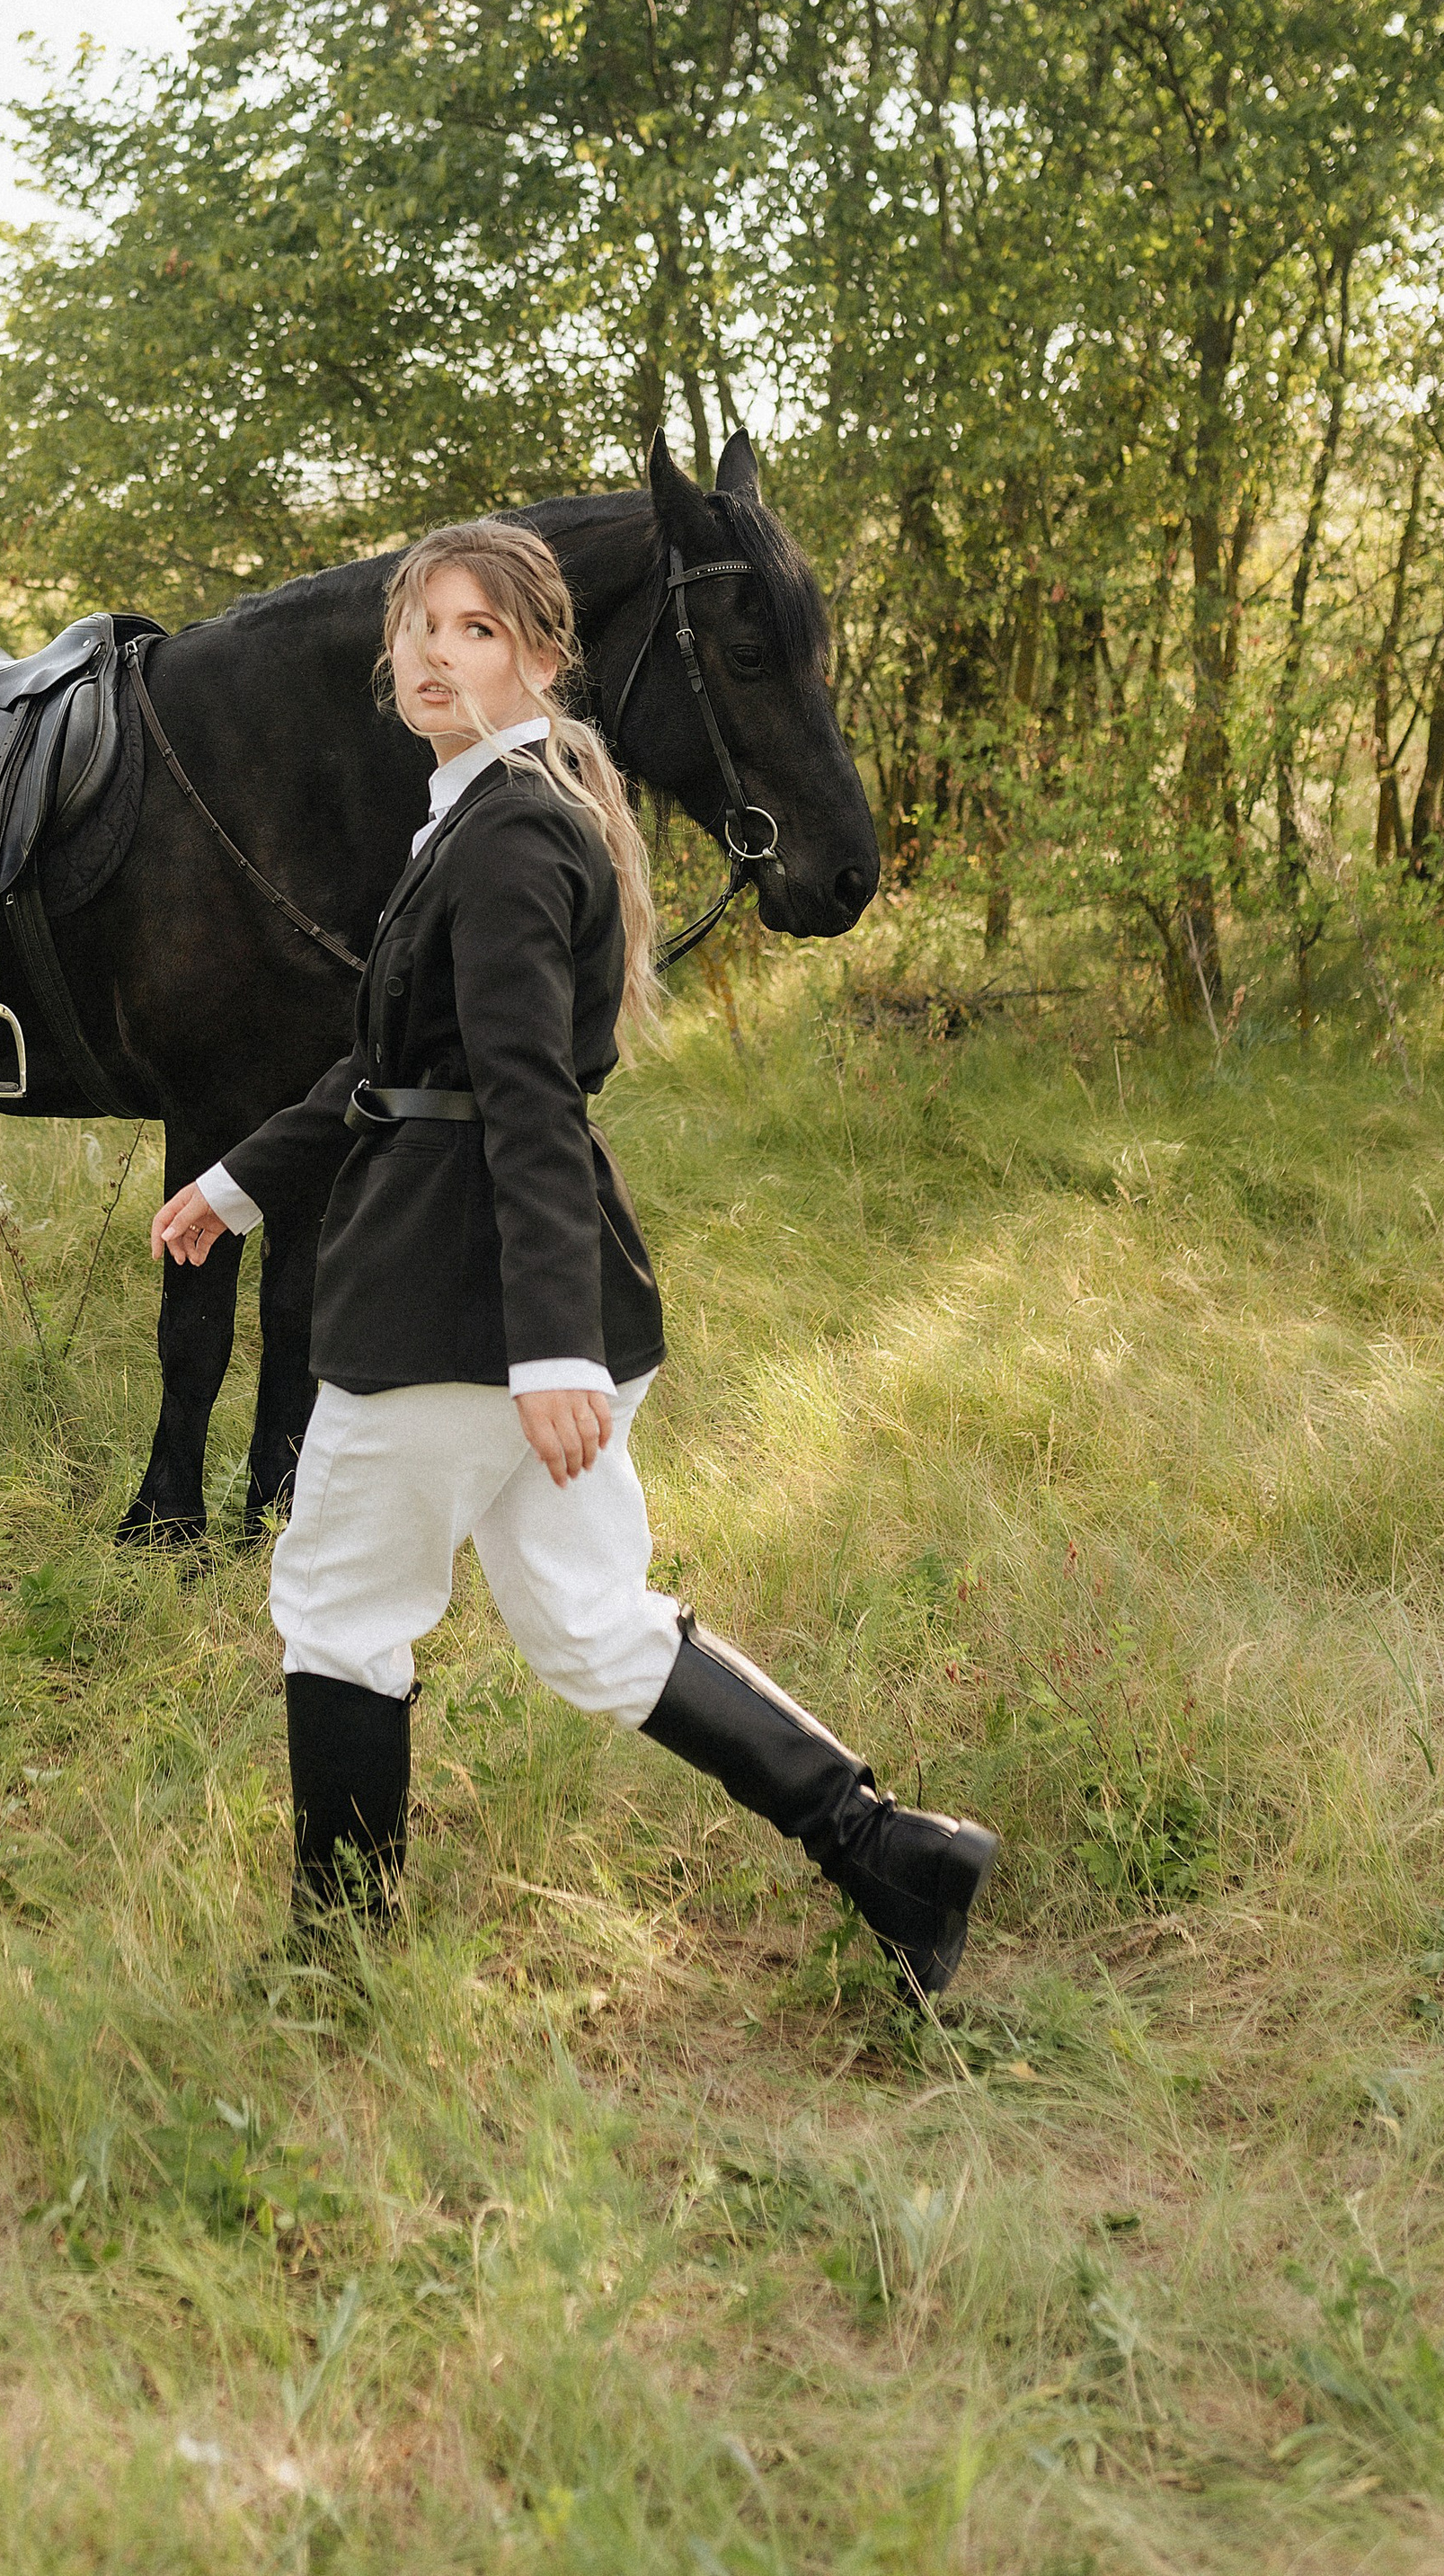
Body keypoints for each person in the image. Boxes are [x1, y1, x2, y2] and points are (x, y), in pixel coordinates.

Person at [151, 519, 997, 2004]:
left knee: (340, 1609)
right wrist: (236, 1182)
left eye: (474, 629)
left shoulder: (511, 834)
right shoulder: (486, 814)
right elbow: (383, 1065)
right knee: (597, 1627)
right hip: (515, 1294)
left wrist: (548, 1351)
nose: (431, 651)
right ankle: (894, 1852)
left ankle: (341, 1960)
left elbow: (525, 1096)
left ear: (544, 657)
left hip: (458, 1305)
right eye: (417, 625)